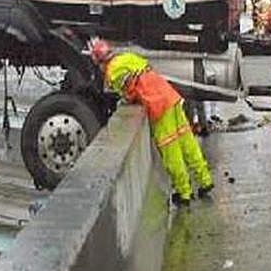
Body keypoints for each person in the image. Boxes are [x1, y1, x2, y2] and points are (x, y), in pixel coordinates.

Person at [89, 38, 214, 207]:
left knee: (171, 151)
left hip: (158, 105)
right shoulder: (127, 57)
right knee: (187, 142)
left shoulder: (113, 71)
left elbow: (129, 93)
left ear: (100, 62)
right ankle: (205, 180)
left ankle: (184, 192)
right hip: (170, 97)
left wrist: (128, 98)